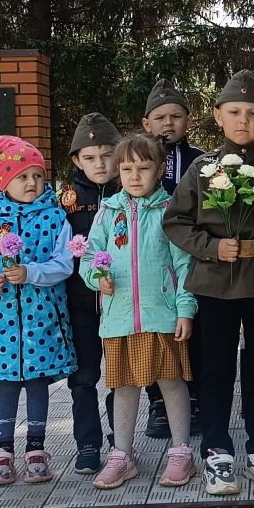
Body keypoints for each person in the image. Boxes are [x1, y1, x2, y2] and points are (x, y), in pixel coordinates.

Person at [163, 70, 254, 496]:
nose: (243, 120)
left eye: (252, 112)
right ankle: (217, 452)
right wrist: (211, 247)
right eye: (234, 112)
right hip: (216, 283)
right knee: (215, 371)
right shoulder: (203, 168)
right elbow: (175, 221)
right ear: (218, 116)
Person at [80, 133, 198, 490]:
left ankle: (181, 452)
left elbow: (185, 264)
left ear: (160, 170)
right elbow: (90, 256)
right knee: (124, 385)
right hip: (118, 319)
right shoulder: (108, 212)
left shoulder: (169, 211)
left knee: (171, 382)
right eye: (127, 169)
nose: (134, 176)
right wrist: (96, 278)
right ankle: (122, 455)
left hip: (161, 316)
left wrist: (185, 309)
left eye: (143, 168)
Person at [0, 135, 77, 486]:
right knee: (7, 383)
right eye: (22, 177)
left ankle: (36, 449)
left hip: (42, 318)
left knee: (36, 382)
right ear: (4, 182)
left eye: (37, 176)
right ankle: (2, 450)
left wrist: (31, 272)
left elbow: (64, 264)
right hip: (4, 321)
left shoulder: (55, 219)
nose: (31, 182)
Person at [142, 80, 204, 439]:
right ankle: (157, 402)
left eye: (176, 116)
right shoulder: (136, 159)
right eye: (160, 117)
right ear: (146, 123)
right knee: (155, 332)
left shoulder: (202, 160)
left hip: (192, 257)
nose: (169, 123)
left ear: (188, 120)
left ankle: (192, 398)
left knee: (191, 327)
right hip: (151, 259)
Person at [60, 113, 121, 474]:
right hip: (80, 303)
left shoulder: (130, 192)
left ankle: (119, 442)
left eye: (107, 155)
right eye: (90, 157)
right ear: (76, 160)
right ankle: (87, 443)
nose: (100, 164)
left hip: (120, 302)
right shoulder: (63, 201)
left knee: (120, 377)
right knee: (83, 377)